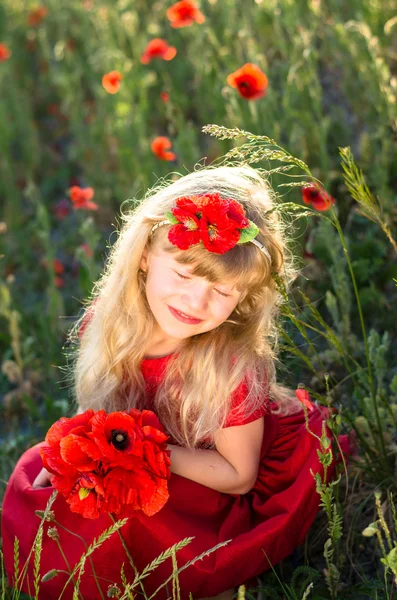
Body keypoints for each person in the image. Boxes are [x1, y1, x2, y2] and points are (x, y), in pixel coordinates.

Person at [2, 165, 349, 600]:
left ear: (244, 297)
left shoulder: (230, 367)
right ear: (145, 255)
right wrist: (77, 459)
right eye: (184, 275)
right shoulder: (109, 327)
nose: (196, 301)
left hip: (205, 479)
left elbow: (239, 476)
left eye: (222, 292)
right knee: (42, 502)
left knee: (130, 520)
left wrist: (149, 452)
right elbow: (97, 415)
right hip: (137, 457)